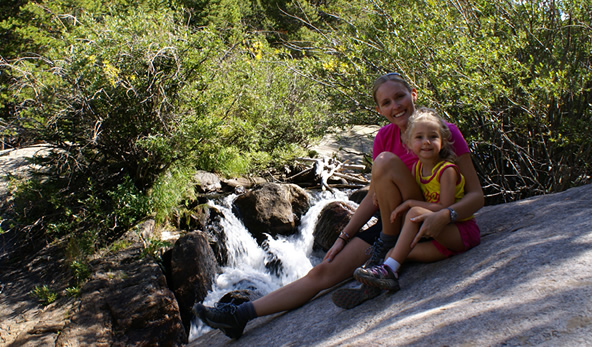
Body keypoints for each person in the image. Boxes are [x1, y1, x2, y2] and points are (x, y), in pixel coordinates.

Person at [193, 73, 484, 339]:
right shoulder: (384, 137)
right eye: (386, 102)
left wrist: (447, 215)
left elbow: (476, 196)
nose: (395, 106)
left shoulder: (443, 132)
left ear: (414, 94)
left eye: (400, 97)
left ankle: (382, 260)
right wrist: (343, 237)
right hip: (394, 223)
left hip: (433, 219)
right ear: (379, 109)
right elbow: (375, 196)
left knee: (385, 166)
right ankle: (240, 315)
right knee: (324, 271)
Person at [353, 107, 480, 292]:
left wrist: (412, 204)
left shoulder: (447, 171)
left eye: (433, 137)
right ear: (409, 143)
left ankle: (385, 273)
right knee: (393, 254)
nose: (426, 142)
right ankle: (377, 284)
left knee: (413, 214)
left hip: (459, 233)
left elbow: (445, 206)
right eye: (419, 137)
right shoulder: (417, 169)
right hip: (438, 240)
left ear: (443, 142)